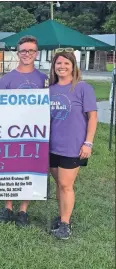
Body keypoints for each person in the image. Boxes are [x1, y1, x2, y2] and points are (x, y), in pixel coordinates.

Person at [0, 35, 48, 227]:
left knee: (30, 169)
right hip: (10, 133)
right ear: (18, 53)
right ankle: (8, 207)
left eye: (31, 51)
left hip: (35, 134)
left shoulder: (44, 79)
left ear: (37, 53)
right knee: (10, 168)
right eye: (23, 51)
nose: (27, 54)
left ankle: (23, 210)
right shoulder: (6, 79)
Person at [48, 49, 97, 240]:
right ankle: (61, 216)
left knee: (66, 185)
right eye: (58, 63)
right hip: (52, 145)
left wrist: (88, 143)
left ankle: (65, 224)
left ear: (73, 66)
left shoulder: (83, 87)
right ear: (54, 66)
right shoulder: (50, 90)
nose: (62, 67)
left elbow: (92, 117)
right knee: (59, 183)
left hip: (73, 146)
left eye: (66, 63)